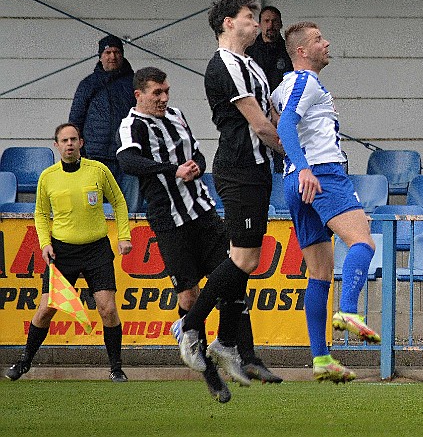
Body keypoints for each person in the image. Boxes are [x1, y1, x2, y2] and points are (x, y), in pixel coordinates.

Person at [117, 67, 282, 401]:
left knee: (235, 277)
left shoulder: (177, 116)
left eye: (166, 91)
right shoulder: (131, 124)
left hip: (203, 212)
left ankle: (246, 357)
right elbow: (128, 161)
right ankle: (209, 374)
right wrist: (171, 170)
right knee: (189, 296)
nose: (164, 99)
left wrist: (194, 165)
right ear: (139, 95)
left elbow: (197, 153)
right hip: (169, 221)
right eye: (156, 93)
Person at [174, 0, 284, 385]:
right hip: (239, 168)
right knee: (242, 259)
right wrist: (298, 157)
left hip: (256, 169)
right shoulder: (224, 64)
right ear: (227, 23)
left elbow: (273, 115)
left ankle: (224, 341)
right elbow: (260, 124)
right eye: (249, 16)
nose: (257, 23)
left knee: (247, 260)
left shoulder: (252, 65)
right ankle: (192, 326)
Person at [271, 21, 380, 384]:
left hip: (294, 180)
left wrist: (295, 168)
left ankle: (320, 358)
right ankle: (348, 311)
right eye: (319, 39)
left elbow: (276, 125)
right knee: (362, 242)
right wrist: (305, 167)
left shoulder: (282, 87)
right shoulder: (305, 81)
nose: (327, 43)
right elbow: (286, 126)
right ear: (302, 51)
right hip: (320, 175)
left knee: (319, 273)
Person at [5, 123, 132, 383]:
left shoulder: (98, 170)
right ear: (57, 145)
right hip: (62, 251)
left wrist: (124, 236)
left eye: (74, 139)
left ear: (81, 143)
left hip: (96, 249)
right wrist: (44, 244)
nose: (70, 144)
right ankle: (24, 362)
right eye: (64, 140)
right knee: (45, 310)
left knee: (107, 309)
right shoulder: (48, 176)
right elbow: (40, 213)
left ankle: (116, 368)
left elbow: (118, 202)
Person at [69, 35, 140, 210]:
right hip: (95, 157)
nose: (112, 56)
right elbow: (75, 120)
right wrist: (80, 151)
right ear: (100, 56)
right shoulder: (87, 84)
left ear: (122, 55)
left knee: (130, 211)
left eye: (116, 52)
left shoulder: (136, 83)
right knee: (94, 210)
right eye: (108, 52)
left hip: (127, 156)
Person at [245, 6, 292, 174]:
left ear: (280, 24)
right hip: (255, 114)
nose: (270, 25)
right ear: (259, 24)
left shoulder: (289, 51)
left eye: (274, 21)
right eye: (266, 21)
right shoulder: (249, 51)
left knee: (282, 164)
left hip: (283, 116)